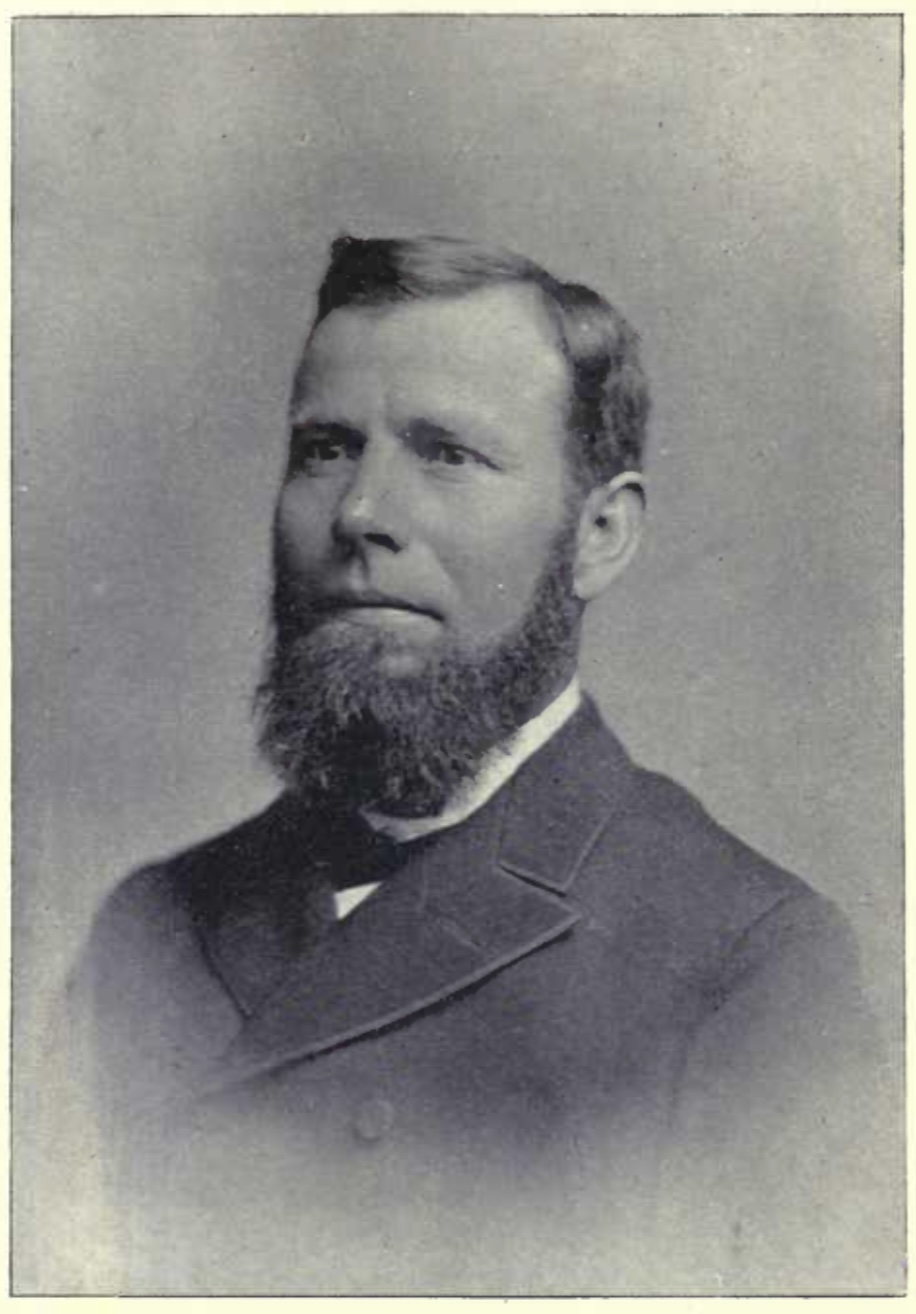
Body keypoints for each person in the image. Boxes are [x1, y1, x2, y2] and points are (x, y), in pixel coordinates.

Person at [46, 235, 898, 1294]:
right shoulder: (145, 928)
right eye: (325, 449)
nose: (361, 514)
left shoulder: (751, 965)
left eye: (446, 453)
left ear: (598, 535)